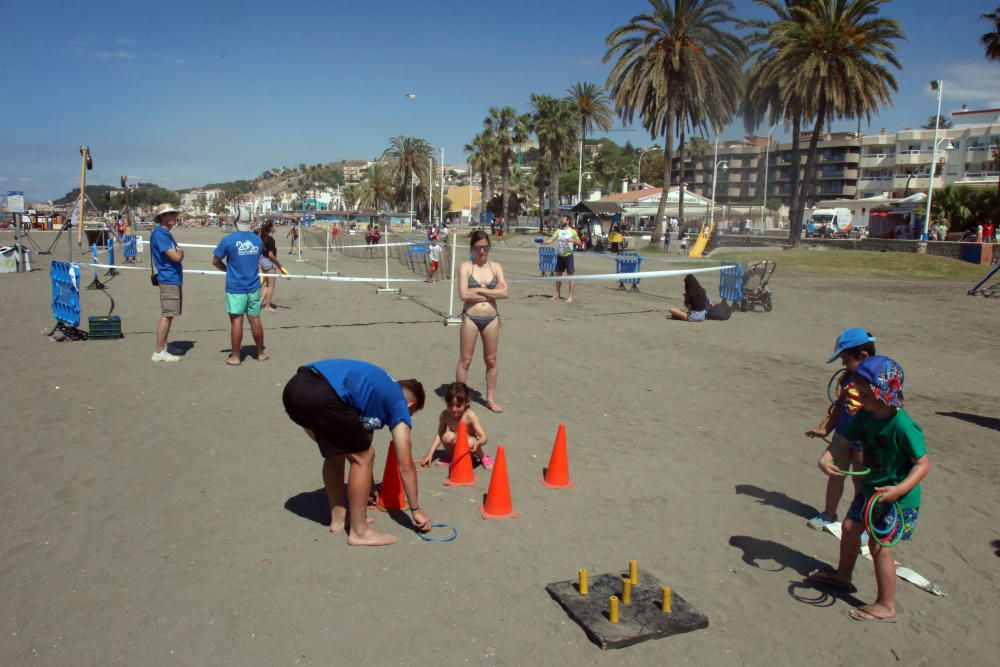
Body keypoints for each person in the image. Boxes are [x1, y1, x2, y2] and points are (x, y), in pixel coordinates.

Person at [808, 356, 930, 623]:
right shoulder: (865, 414)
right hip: (871, 490)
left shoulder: (903, 426)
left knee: (878, 545)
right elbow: (843, 441)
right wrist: (827, 457)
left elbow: (922, 464)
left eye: (864, 393)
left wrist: (899, 490)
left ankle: (886, 605)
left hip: (897, 499)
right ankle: (843, 575)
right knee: (850, 529)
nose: (858, 397)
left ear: (884, 395)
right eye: (857, 391)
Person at [282, 359, 430, 546]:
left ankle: (338, 519)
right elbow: (405, 464)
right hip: (323, 395)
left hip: (295, 389)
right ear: (410, 406)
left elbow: (359, 440)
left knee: (338, 452)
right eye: (411, 414)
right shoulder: (399, 402)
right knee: (365, 457)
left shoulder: (377, 388)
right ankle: (359, 532)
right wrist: (416, 510)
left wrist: (369, 484)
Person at [803, 328, 876, 530]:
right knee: (836, 475)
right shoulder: (846, 377)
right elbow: (840, 406)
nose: (843, 365)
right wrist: (826, 429)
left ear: (863, 356)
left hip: (865, 442)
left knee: (862, 483)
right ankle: (829, 513)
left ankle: (861, 524)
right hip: (843, 435)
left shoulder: (877, 382)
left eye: (845, 360)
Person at [456, 229, 508, 413]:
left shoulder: (496, 267)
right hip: (470, 317)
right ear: (472, 248)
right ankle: (460, 400)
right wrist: (492, 294)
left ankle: (490, 399)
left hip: (491, 319)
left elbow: (505, 293)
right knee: (466, 360)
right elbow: (463, 294)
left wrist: (479, 292)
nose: (482, 251)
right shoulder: (466, 267)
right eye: (478, 248)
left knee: (491, 360)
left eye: (485, 247)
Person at [212, 207, 266, 365]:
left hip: (236, 287)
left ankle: (235, 356)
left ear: (235, 221)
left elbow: (215, 261)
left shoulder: (229, 240)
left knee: (237, 321)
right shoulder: (257, 240)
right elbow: (258, 259)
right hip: (253, 286)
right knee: (255, 320)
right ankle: (260, 353)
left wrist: (227, 269)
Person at [419, 381, 492, 470]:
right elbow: (439, 435)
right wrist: (430, 453)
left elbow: (484, 438)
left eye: (458, 405)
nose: (454, 409)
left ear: (467, 402)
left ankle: (483, 457)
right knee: (447, 436)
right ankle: (454, 457)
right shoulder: (445, 415)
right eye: (450, 405)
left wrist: (477, 443)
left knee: (469, 441)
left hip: (471, 445)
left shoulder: (469, 415)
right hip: (457, 444)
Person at [150, 204, 185, 362]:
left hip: (172, 277)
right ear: (162, 217)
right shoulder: (160, 234)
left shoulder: (164, 233)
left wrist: (179, 252)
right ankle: (159, 351)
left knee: (170, 314)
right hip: (168, 278)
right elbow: (176, 256)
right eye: (169, 214)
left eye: (173, 214)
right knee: (167, 314)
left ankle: (164, 345)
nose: (173, 217)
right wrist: (180, 252)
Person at [542, 215, 584, 303]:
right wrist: (543, 242)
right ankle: (557, 294)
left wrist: (573, 241)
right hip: (560, 256)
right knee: (558, 276)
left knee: (570, 277)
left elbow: (580, 243)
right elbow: (551, 240)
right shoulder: (558, 231)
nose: (561, 220)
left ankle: (570, 297)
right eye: (562, 219)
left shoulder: (573, 232)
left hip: (569, 256)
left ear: (568, 221)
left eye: (563, 219)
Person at [258, 221, 283, 313]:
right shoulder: (271, 239)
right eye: (274, 225)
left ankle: (260, 303)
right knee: (271, 285)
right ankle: (267, 306)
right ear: (271, 228)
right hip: (269, 262)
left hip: (263, 261)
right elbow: (271, 254)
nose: (275, 227)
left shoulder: (263, 238)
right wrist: (279, 263)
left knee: (268, 285)